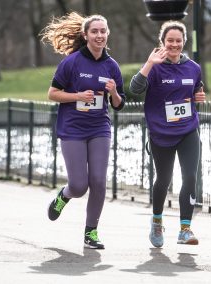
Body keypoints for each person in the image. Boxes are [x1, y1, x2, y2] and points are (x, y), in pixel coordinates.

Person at [41, 12, 126, 249]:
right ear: (85, 35)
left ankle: (91, 233)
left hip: (99, 127)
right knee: (79, 185)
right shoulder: (72, 62)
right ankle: (63, 196)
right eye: (94, 31)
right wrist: (77, 96)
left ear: (108, 34)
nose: (99, 35)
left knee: (98, 182)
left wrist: (114, 93)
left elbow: (119, 105)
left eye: (103, 31)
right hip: (73, 128)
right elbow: (52, 94)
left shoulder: (112, 66)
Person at [129, 21, 206, 247]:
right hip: (161, 133)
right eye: (170, 40)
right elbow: (134, 89)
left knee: (190, 176)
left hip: (188, 130)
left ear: (184, 43)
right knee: (164, 179)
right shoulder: (154, 66)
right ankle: (156, 222)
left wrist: (199, 98)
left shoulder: (193, 68)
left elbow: (194, 93)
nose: (174, 44)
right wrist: (149, 64)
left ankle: (185, 229)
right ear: (162, 42)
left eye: (178, 41)